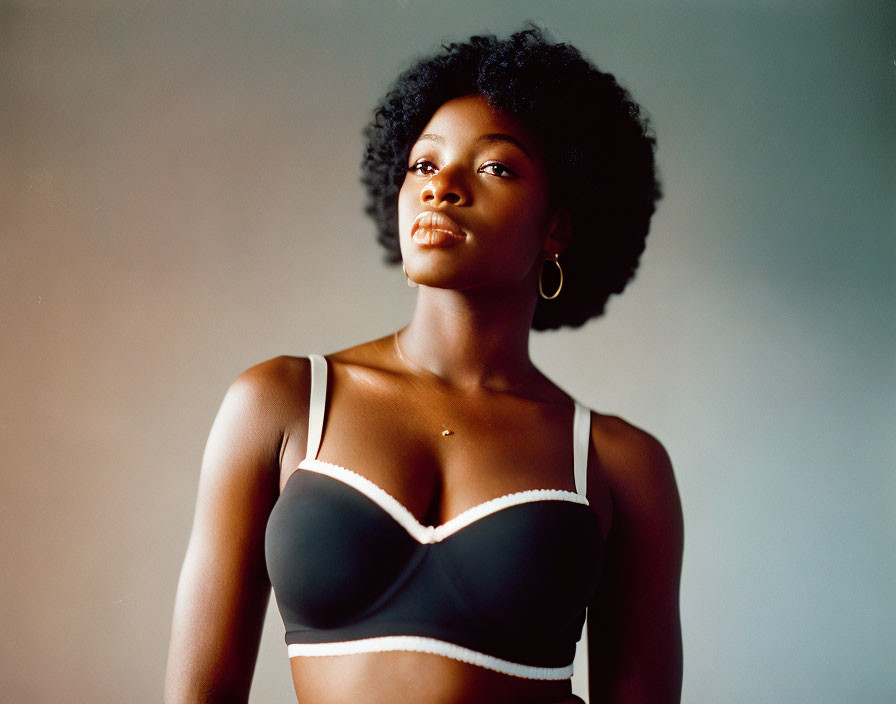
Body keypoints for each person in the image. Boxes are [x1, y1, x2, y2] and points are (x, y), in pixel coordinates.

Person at [164, 25, 684, 704]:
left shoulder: (618, 463)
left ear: (557, 227)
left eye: (495, 167)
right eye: (424, 165)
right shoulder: (283, 402)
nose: (443, 189)